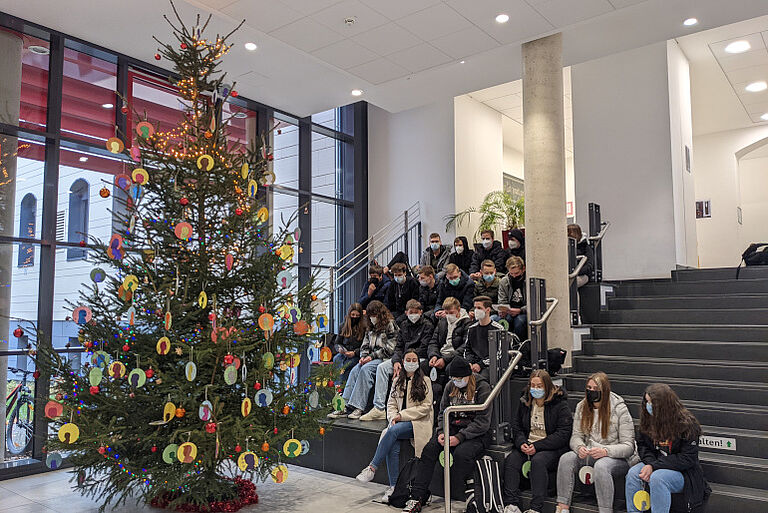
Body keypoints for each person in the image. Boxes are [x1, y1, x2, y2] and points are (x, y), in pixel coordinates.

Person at [401, 357, 492, 513]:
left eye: (459, 378)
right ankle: (417, 497)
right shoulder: (450, 386)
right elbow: (442, 414)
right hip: (452, 429)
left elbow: (482, 422)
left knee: (462, 454)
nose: (456, 381)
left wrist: (460, 437)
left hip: (475, 433)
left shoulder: (482, 387)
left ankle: (471, 496)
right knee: (429, 450)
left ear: (467, 376)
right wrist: (442, 432)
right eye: (453, 378)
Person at [355, 348, 434, 503]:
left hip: (418, 422)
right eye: (408, 360)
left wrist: (401, 416)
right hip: (398, 423)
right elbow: (391, 403)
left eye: (414, 360)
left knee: (393, 431)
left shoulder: (426, 381)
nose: (411, 363)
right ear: (402, 362)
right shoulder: (398, 380)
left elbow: (426, 407)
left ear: (418, 363)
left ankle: (372, 468)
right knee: (393, 444)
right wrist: (392, 417)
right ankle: (393, 487)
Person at [556, 372, 636, 513]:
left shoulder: (619, 408)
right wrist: (579, 447)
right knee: (566, 458)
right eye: (589, 388)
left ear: (604, 390)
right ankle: (563, 507)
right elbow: (576, 436)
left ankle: (605, 510)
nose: (591, 391)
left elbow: (628, 447)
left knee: (601, 465)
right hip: (590, 452)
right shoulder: (582, 406)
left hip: (616, 458)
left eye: (595, 388)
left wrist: (606, 451)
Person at [625, 384, 709, 513]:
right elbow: (643, 447)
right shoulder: (648, 421)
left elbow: (687, 458)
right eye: (647, 402)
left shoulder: (687, 424)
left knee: (658, 478)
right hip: (655, 463)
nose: (648, 406)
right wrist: (651, 464)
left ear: (663, 406)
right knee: (633, 474)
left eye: (651, 403)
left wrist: (654, 466)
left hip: (683, 473)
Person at [504, 370, 572, 513]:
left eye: (539, 386)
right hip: (529, 443)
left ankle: (536, 508)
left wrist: (537, 446)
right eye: (532, 385)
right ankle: (512, 504)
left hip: (551, 448)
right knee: (512, 460)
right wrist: (521, 442)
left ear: (547, 386)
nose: (535, 389)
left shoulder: (560, 404)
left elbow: (563, 434)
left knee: (538, 461)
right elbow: (517, 426)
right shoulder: (525, 401)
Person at [361, 300, 434, 421]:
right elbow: (398, 347)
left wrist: (406, 361)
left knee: (412, 365)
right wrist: (396, 361)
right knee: (382, 368)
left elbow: (423, 347)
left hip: (418, 358)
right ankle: (379, 408)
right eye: (411, 312)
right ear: (406, 313)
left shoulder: (427, 325)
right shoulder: (404, 325)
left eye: (416, 312)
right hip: (402, 358)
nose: (413, 315)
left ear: (421, 312)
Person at [330, 301, 398, 420]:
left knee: (366, 370)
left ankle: (358, 407)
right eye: (370, 315)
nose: (372, 318)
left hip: (384, 358)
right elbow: (365, 345)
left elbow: (390, 348)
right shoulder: (370, 326)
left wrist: (371, 357)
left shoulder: (390, 324)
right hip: (370, 357)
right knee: (356, 369)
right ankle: (344, 406)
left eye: (374, 315)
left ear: (380, 314)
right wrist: (363, 356)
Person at [463, 296, 505, 379]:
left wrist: (480, 364)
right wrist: (469, 362)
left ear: (488, 310)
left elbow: (499, 353)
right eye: (475, 308)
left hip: (490, 365)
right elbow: (467, 350)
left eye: (479, 308)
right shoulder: (471, 329)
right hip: (473, 364)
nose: (476, 311)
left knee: (480, 378)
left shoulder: (498, 329)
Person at [331, 303, 367, 379]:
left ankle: (343, 387)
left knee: (348, 365)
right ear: (349, 314)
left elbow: (366, 346)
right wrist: (339, 349)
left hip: (357, 355)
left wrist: (355, 352)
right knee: (336, 359)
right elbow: (337, 343)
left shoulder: (364, 327)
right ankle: (338, 386)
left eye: (357, 316)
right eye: (353, 315)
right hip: (344, 353)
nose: (354, 317)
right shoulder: (343, 326)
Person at [497, 256, 528, 341]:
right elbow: (502, 300)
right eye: (511, 274)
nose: (514, 276)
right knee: (499, 321)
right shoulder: (504, 281)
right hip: (509, 311)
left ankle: (520, 345)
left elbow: (533, 303)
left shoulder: (528, 281)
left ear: (523, 269)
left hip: (523, 311)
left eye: (517, 273)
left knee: (520, 322)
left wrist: (520, 310)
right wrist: (503, 310)